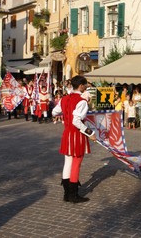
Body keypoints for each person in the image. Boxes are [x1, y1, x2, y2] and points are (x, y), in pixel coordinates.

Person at [52, 75, 96, 203]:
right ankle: (73, 195)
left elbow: (54, 112)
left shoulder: (64, 98)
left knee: (68, 163)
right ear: (81, 86)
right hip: (77, 135)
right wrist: (90, 132)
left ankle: (67, 194)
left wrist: (65, 113)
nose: (87, 86)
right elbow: (76, 121)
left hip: (67, 133)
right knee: (76, 164)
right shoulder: (82, 101)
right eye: (86, 85)